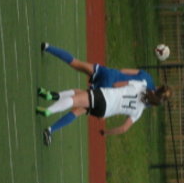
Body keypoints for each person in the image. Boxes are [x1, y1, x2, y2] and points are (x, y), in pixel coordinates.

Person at [35, 80, 171, 146]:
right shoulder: (139, 111)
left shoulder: (141, 85)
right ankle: (50, 127)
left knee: (76, 100)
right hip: (104, 111)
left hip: (104, 96)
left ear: (157, 88)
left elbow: (117, 85)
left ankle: (49, 110)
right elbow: (123, 128)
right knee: (79, 106)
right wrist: (107, 132)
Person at [40, 42, 157, 91]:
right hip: (109, 88)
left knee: (76, 63)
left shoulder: (147, 76)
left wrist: (111, 74)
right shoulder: (148, 100)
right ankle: (49, 96)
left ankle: (48, 47)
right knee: (79, 99)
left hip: (109, 73)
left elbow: (123, 70)